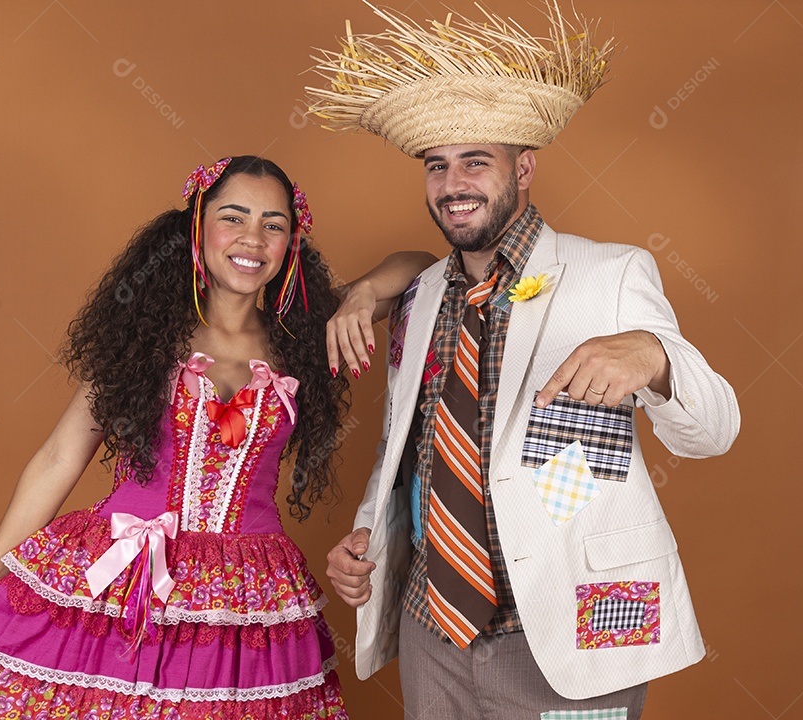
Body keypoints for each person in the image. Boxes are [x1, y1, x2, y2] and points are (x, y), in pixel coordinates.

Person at [310, 4, 741, 719]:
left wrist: (657, 357)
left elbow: (715, 430)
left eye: (476, 161)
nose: (454, 184)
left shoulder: (611, 273)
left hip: (578, 625)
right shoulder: (418, 299)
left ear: (525, 167)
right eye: (437, 166)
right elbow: (411, 449)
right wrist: (368, 544)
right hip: (430, 629)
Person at [0, 155, 428, 719]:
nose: (253, 238)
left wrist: (363, 294)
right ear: (195, 227)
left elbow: (421, 263)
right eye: (234, 217)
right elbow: (57, 459)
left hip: (244, 602)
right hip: (126, 583)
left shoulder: (307, 338)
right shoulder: (145, 339)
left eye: (274, 224)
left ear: (292, 242)